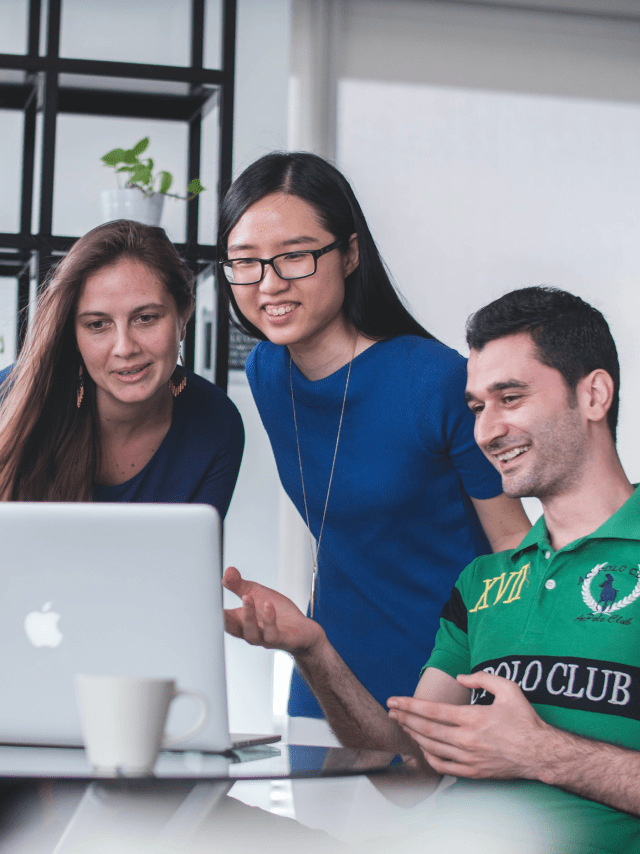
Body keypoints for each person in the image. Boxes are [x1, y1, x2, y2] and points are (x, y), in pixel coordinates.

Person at [224, 286, 640, 851]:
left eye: (510, 398)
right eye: (478, 408)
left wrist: (541, 753)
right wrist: (313, 650)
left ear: (593, 395)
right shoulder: (482, 584)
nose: (487, 431)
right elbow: (409, 776)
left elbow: (526, 756)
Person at [218, 151, 531, 736]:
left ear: (350, 253)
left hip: (446, 680)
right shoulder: (267, 371)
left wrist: (496, 682)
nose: (269, 283)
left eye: (295, 256)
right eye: (246, 262)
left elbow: (512, 546)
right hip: (326, 679)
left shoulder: (434, 379)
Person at [0, 219, 243, 516]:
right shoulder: (8, 398)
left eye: (146, 318)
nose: (125, 348)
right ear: (73, 336)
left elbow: (194, 546)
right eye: (97, 324)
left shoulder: (216, 423)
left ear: (183, 317)